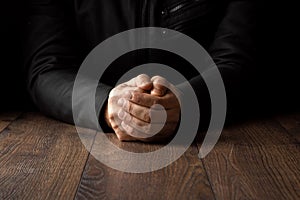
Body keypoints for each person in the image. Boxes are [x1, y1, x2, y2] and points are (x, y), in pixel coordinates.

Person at [23, 0, 258, 142]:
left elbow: (238, 59)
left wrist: (186, 100)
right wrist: (106, 104)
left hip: (221, 134)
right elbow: (47, 68)